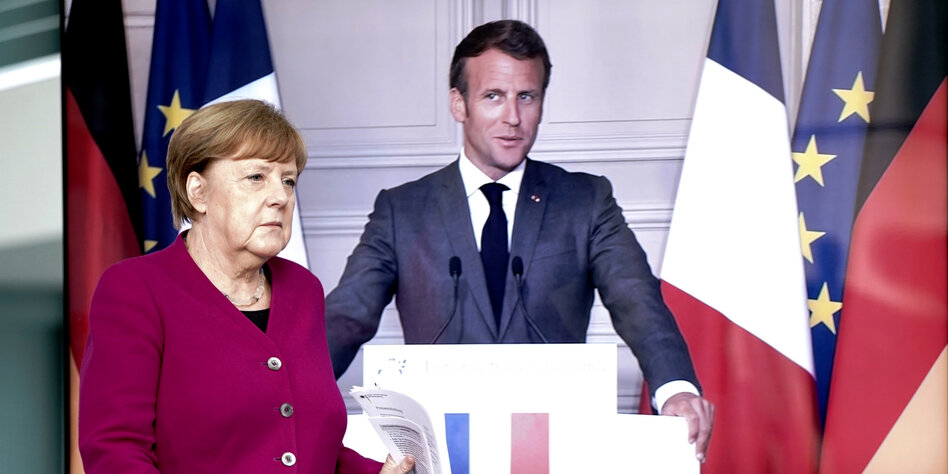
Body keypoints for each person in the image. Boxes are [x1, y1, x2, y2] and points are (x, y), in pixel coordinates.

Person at [325, 20, 715, 462]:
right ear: (459, 104)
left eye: (526, 97)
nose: (512, 117)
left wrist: (676, 388)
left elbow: (638, 301)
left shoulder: (586, 200)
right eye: (493, 96)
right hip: (442, 451)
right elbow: (347, 317)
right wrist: (286, 390)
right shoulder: (402, 210)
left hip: (554, 448)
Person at [78, 99, 414, 474]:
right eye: (256, 177)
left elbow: (313, 447)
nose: (281, 197)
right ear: (198, 192)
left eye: (288, 180)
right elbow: (115, 451)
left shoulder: (303, 290)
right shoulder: (135, 290)